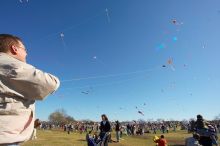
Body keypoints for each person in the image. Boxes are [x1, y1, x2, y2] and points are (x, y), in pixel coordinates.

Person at [0, 34, 60, 146]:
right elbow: (49, 83)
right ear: (14, 48)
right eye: (25, 49)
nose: (27, 53)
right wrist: (57, 81)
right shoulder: (9, 64)